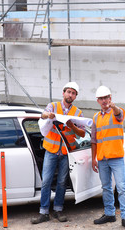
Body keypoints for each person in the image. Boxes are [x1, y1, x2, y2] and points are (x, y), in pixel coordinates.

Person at [31, 82, 85, 224]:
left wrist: (72, 126)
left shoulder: (78, 113)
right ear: (63, 93)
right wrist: (48, 115)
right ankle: (43, 212)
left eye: (73, 93)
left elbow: (82, 133)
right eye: (68, 92)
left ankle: (58, 210)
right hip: (51, 150)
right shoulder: (53, 106)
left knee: (62, 182)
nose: (70, 95)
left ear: (75, 96)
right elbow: (42, 116)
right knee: (46, 182)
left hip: (66, 152)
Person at [91, 86, 125, 229]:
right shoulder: (96, 118)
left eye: (106, 98)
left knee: (121, 187)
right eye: (101, 98)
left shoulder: (118, 112)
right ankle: (109, 214)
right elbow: (94, 140)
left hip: (116, 157)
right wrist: (93, 159)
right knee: (106, 188)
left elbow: (118, 115)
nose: (104, 101)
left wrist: (114, 107)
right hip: (102, 158)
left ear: (110, 98)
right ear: (97, 100)